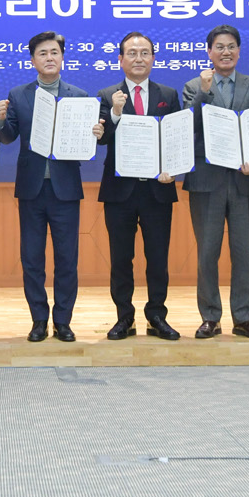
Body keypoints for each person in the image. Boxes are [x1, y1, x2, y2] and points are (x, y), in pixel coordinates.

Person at [0, 31, 93, 342]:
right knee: (32, 259)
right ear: (32, 60)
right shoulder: (19, 94)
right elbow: (8, 137)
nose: (49, 58)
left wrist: (94, 132)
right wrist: (0, 121)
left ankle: (63, 321)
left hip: (65, 189)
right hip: (32, 189)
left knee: (67, 259)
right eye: (42, 53)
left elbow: (86, 143)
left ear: (62, 57)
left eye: (54, 52)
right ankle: (39, 320)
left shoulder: (79, 96)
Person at [182, 24, 249, 340]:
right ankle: (210, 316)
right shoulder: (194, 86)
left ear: (239, 51)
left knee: (243, 252)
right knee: (208, 252)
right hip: (206, 180)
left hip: (243, 180)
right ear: (209, 52)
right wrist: (204, 92)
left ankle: (244, 317)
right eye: (219, 47)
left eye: (231, 46)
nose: (226, 52)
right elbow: (188, 126)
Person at [96, 31, 182, 341]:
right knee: (121, 258)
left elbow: (176, 138)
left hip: (157, 189)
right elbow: (101, 139)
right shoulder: (108, 95)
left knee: (158, 257)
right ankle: (125, 317)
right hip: (120, 191)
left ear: (153, 59)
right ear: (120, 59)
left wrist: (173, 169)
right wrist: (116, 113)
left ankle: (157, 316)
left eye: (144, 53)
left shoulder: (168, 94)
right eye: (131, 53)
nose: (138, 58)